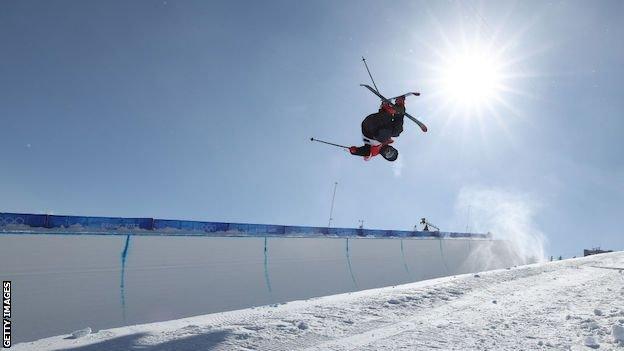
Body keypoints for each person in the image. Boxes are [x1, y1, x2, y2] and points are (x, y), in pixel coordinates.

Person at [349, 96, 406, 161]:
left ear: (384, 156)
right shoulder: (387, 139)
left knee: (385, 136)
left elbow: (365, 152)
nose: (388, 151)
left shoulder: (374, 151)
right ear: (392, 148)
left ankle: (387, 111)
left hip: (368, 128)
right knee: (396, 132)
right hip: (378, 120)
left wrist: (355, 151)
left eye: (388, 154)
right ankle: (398, 105)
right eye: (392, 151)